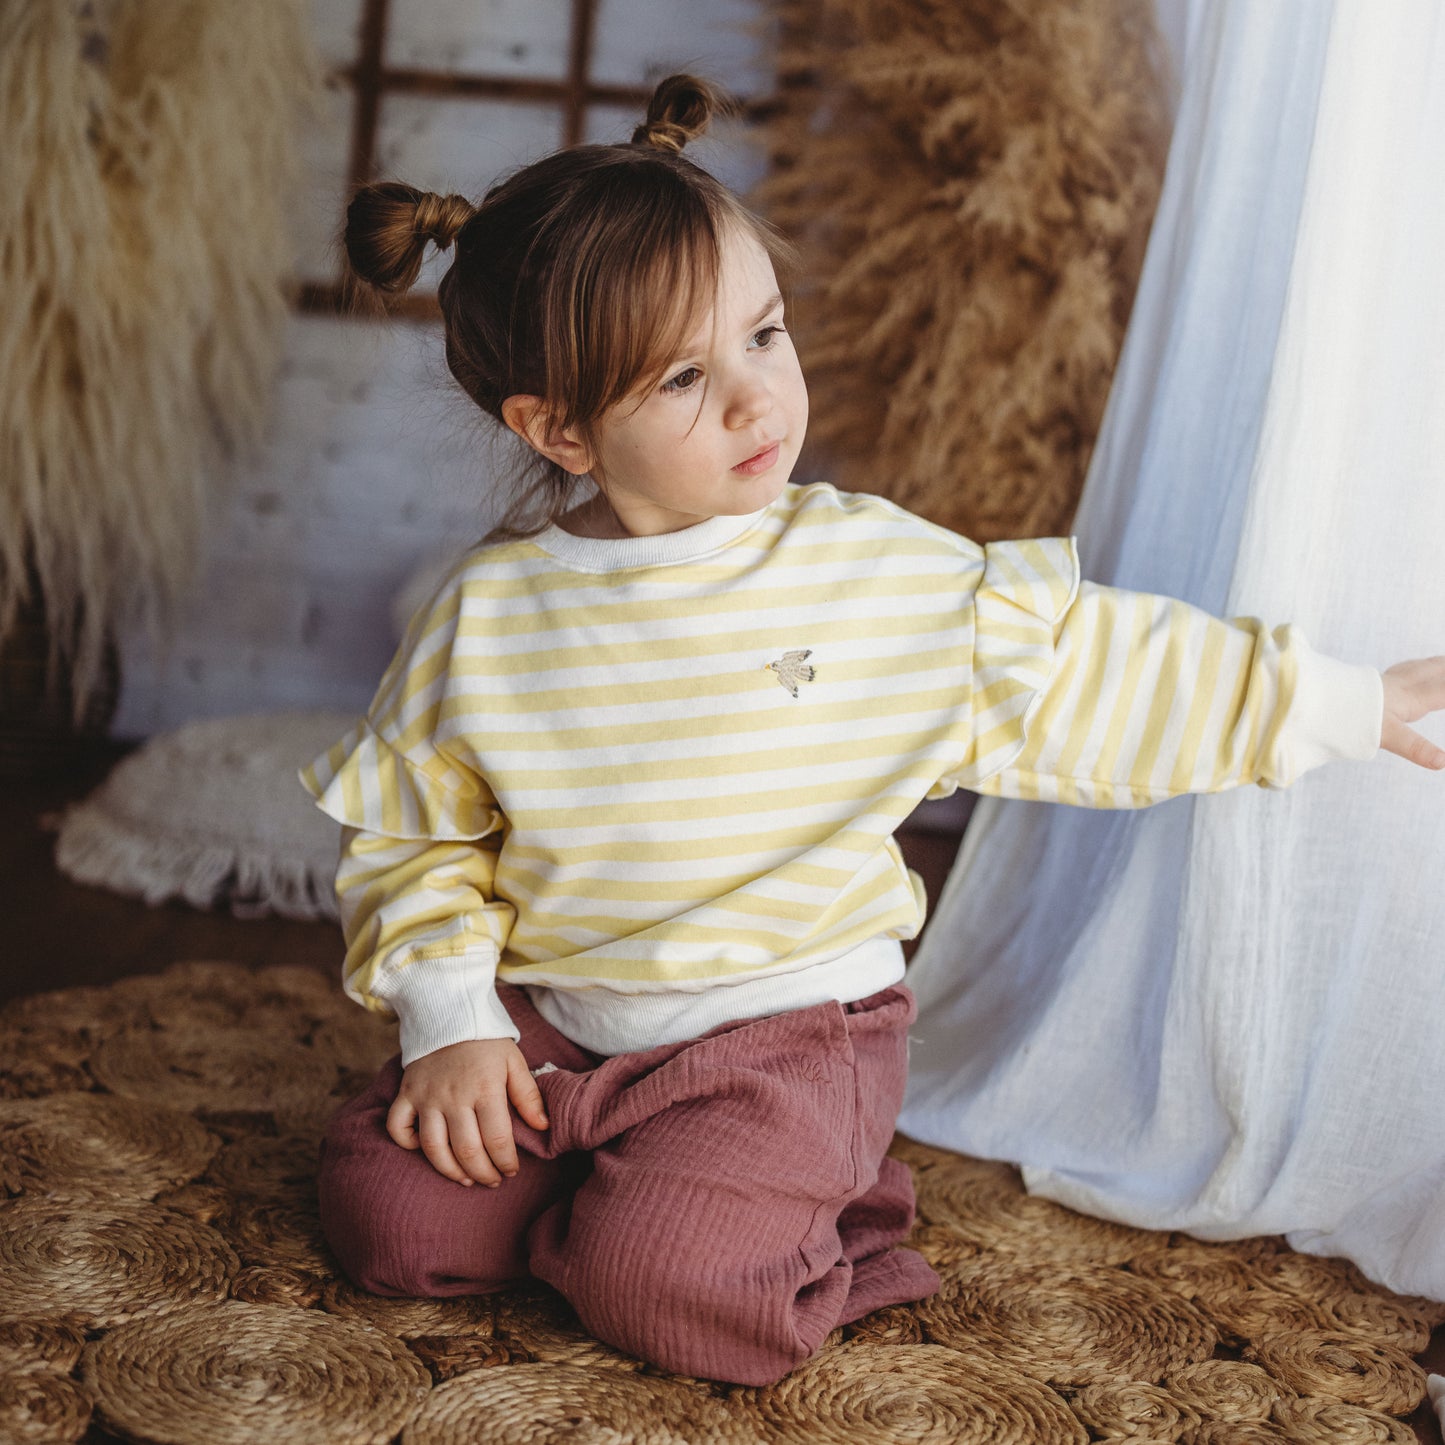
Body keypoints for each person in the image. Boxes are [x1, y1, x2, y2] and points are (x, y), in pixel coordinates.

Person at [302, 74, 1445, 1386]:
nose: (754, 399)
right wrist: (456, 1018)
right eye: (683, 375)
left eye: (764, 336)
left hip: (783, 1036)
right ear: (558, 427)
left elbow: (1094, 671)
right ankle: (630, 1185)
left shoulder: (867, 575)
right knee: (381, 1210)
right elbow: (413, 838)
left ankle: (801, 1206)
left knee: (664, 1285)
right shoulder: (485, 617)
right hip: (563, 1024)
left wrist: (1338, 700)